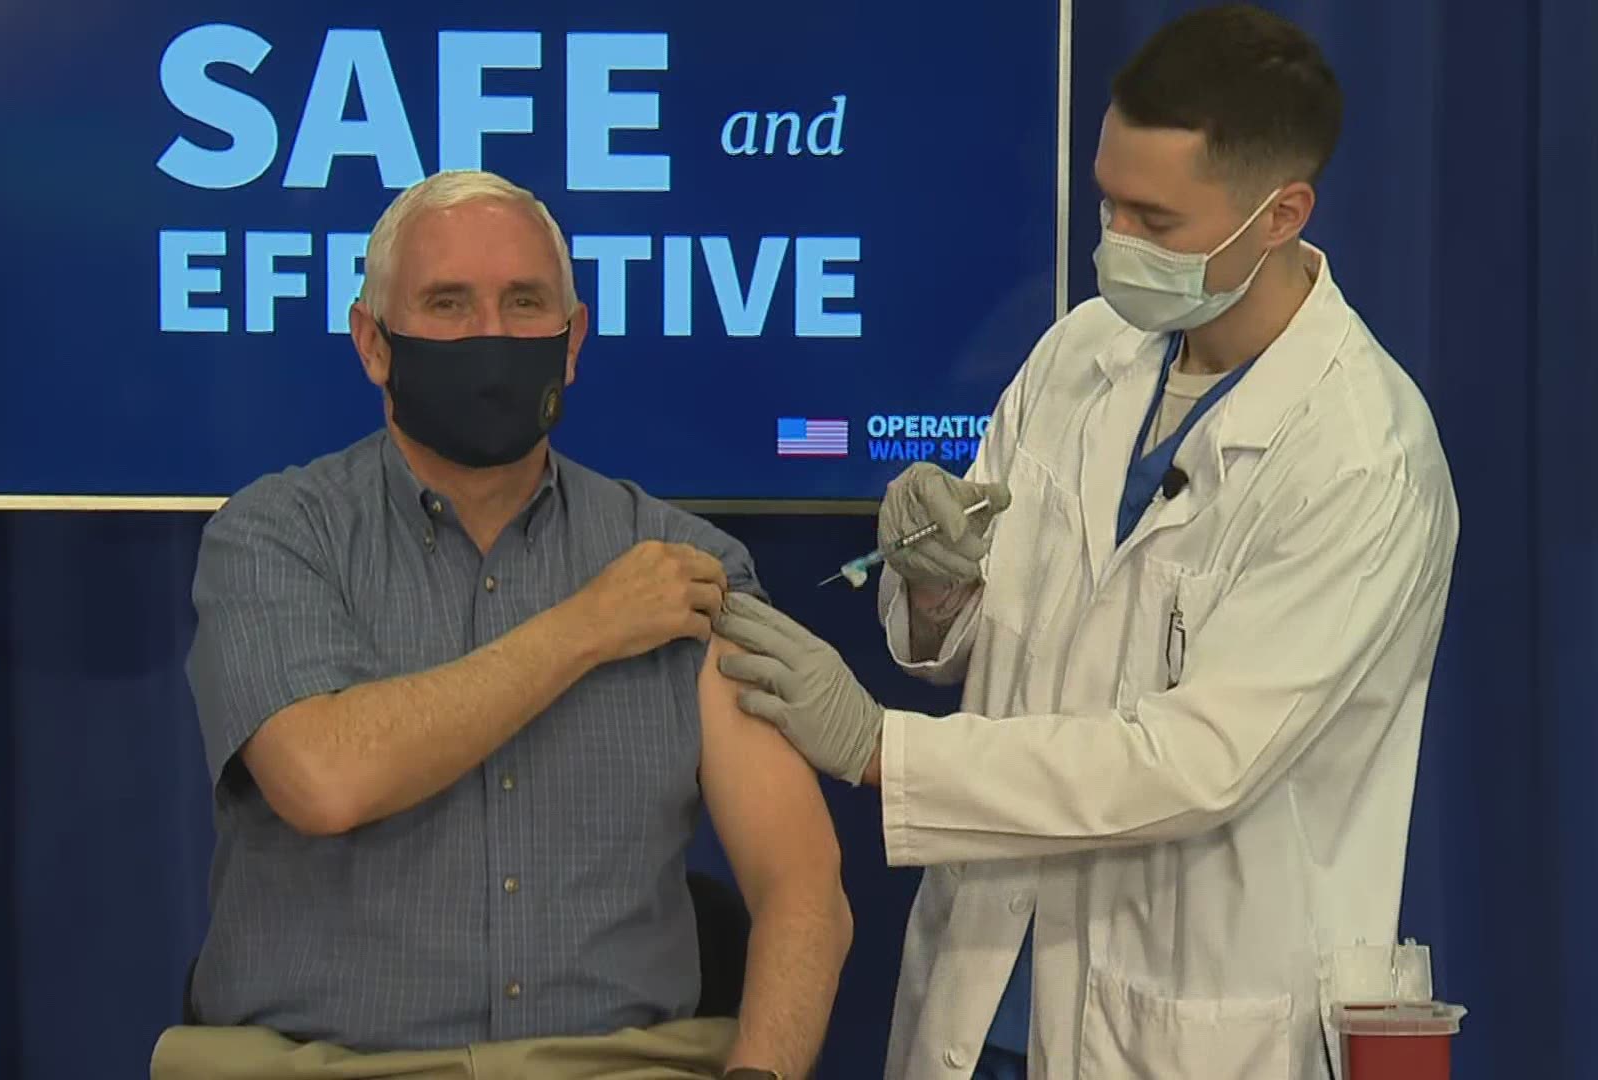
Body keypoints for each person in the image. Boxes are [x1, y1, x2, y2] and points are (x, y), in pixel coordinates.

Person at [712, 6, 1458, 1079]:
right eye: (1108, 199)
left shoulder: (1361, 458)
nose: (1116, 242)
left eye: (1155, 219)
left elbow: (1194, 762)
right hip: (988, 996)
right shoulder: (1086, 352)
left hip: (1188, 1023)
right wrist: (933, 588)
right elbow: (979, 635)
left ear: (1282, 212)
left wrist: (886, 750)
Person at [159, 170, 850, 1080]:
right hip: (324, 1063)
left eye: (525, 303)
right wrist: (585, 627)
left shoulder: (683, 566)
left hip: (614, 1063)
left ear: (572, 343)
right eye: (447, 305)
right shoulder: (277, 536)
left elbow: (803, 889)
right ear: (373, 342)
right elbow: (323, 776)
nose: (490, 337)